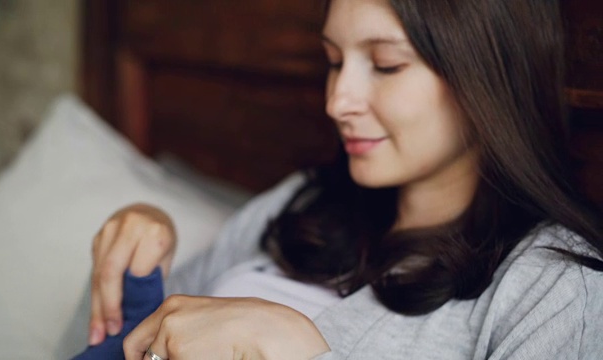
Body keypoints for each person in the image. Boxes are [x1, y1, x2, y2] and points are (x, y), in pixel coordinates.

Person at [86, 0, 603, 358]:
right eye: (334, 60)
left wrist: (299, 351)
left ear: (491, 74)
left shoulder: (555, 288)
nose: (337, 102)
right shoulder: (303, 204)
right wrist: (140, 257)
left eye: (385, 64)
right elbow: (127, 342)